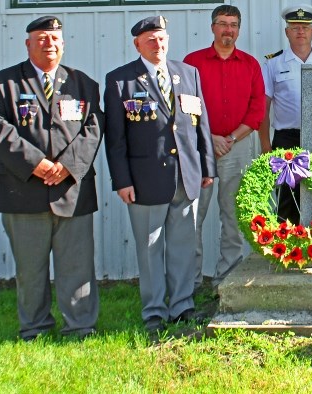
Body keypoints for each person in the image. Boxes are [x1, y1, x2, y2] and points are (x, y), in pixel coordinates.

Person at [0, 16, 103, 340]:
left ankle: (80, 326)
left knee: (77, 268)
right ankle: (34, 327)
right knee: (30, 270)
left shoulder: (84, 85)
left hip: (71, 190)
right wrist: (37, 164)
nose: (48, 43)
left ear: (62, 45)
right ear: (28, 44)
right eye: (41, 38)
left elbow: (93, 129)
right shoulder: (3, 84)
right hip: (24, 193)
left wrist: (66, 166)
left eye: (54, 38)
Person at [104, 16, 216, 333]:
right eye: (151, 39)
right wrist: (122, 180)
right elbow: (115, 139)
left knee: (183, 245)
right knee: (150, 247)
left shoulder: (187, 73)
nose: (158, 44)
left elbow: (200, 124)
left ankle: (182, 305)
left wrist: (207, 166)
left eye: (162, 37)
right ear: (137, 43)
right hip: (144, 180)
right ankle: (154, 310)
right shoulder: (120, 80)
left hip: (187, 175)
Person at [184, 5, 267, 290]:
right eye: (222, 24)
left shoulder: (250, 64)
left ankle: (227, 278)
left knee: (232, 213)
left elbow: (257, 110)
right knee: (193, 214)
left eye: (233, 24)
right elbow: (185, 107)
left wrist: (230, 138)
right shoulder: (192, 63)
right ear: (212, 27)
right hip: (199, 148)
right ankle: (191, 282)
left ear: (239, 30)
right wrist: (211, 137)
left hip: (237, 146)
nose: (227, 30)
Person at [260, 3, 312, 224]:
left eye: (305, 27)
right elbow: (263, 108)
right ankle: (288, 250)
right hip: (287, 139)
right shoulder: (273, 64)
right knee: (288, 196)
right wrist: (266, 145)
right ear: (287, 32)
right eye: (294, 27)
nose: (300, 31)